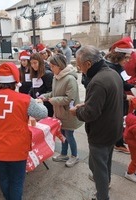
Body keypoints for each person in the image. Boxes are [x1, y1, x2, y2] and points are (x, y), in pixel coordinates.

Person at [0, 62, 48, 200]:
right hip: (17, 149)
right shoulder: (25, 99)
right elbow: (43, 113)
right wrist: (38, 103)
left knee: (4, 178)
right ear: (15, 82)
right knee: (17, 181)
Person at [70, 45, 124, 200]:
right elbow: (105, 103)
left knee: (97, 168)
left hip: (101, 133)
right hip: (113, 129)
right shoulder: (112, 73)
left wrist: (76, 111)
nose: (80, 70)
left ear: (88, 64)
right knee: (105, 162)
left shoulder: (97, 81)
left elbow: (90, 114)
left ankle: (102, 195)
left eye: (80, 66)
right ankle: (105, 184)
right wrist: (87, 105)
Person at [39, 53, 83, 167]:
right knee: (62, 134)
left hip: (69, 113)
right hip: (59, 112)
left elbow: (70, 98)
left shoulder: (69, 79)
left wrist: (52, 100)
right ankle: (64, 154)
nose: (51, 68)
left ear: (59, 66)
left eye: (53, 66)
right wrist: (46, 96)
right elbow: (54, 93)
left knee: (69, 135)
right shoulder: (56, 77)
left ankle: (75, 156)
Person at [105, 37, 135, 154]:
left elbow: (124, 83)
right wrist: (124, 97)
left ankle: (119, 140)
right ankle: (118, 143)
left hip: (121, 101)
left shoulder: (119, 67)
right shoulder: (109, 68)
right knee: (116, 121)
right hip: (114, 102)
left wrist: (132, 87)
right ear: (118, 55)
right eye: (126, 57)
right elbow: (110, 90)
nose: (128, 60)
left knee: (121, 119)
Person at [29, 52, 54, 117]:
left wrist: (42, 98)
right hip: (36, 104)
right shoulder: (34, 74)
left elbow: (51, 91)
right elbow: (33, 88)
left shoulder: (48, 74)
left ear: (40, 62)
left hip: (46, 105)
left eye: (35, 63)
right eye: (31, 63)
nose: (33, 65)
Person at [123, 101, 136, 183]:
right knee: (135, 160)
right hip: (134, 143)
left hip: (131, 142)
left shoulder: (131, 116)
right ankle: (129, 173)